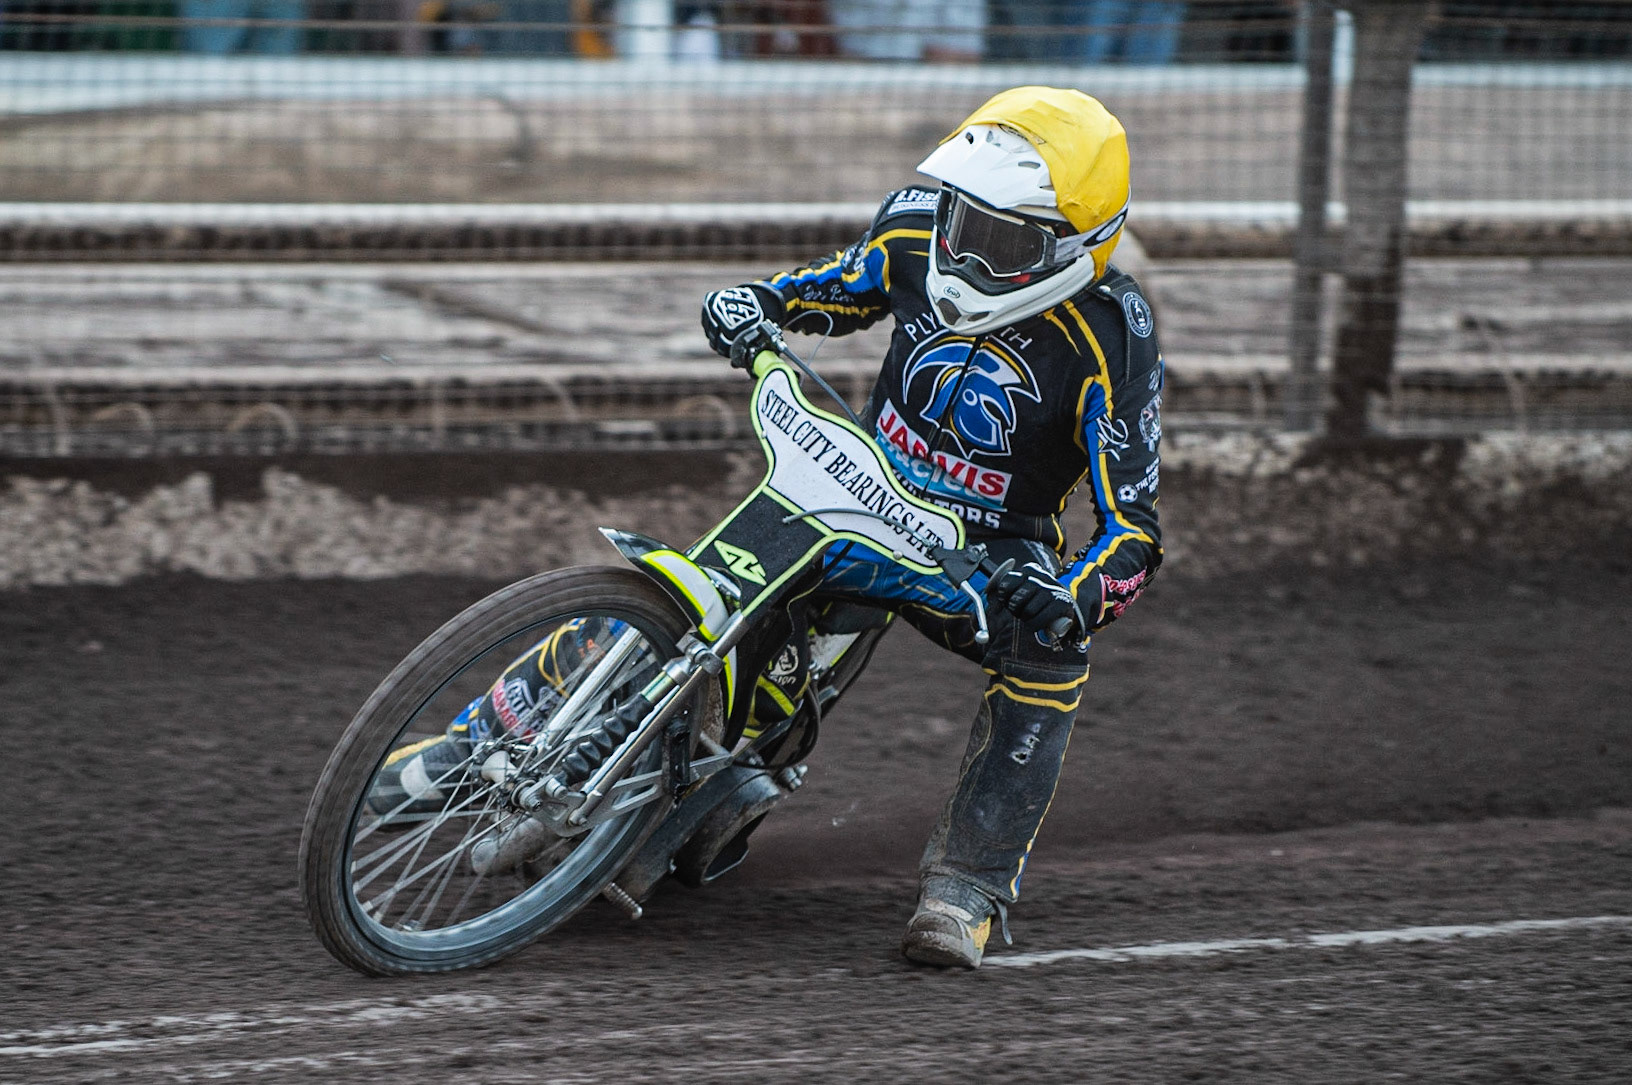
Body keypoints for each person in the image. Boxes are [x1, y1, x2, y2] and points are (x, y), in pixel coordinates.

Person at [699, 85, 1163, 968]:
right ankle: (498, 737)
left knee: (1050, 649)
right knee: (716, 595)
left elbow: (1133, 527)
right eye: (961, 216)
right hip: (858, 489)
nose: (964, 247)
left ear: (1077, 245)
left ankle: (966, 888)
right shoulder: (915, 226)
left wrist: (1071, 594)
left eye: (1003, 237)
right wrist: (759, 303)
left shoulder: (1113, 334)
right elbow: (834, 290)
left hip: (989, 554)